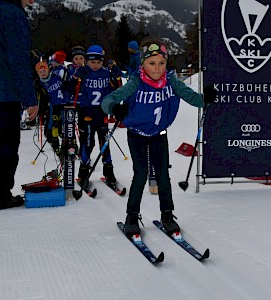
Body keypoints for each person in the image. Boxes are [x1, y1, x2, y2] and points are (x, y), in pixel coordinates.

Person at [101, 38, 212, 236]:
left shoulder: (172, 82)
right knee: (141, 173)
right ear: (142, 63)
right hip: (137, 135)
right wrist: (114, 107)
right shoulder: (135, 82)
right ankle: (132, 216)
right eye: (152, 63)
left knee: (163, 175)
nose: (157, 68)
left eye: (162, 63)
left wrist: (206, 98)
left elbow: (193, 98)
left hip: (159, 135)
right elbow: (107, 100)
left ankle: (167, 215)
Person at [0, 0, 38, 210]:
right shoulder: (12, 14)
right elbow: (18, 59)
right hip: (4, 94)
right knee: (7, 145)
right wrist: (30, 99)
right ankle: (0, 195)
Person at [71, 44, 118, 186]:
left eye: (99, 62)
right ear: (87, 61)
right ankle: (83, 172)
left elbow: (115, 91)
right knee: (88, 142)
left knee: (105, 141)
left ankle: (108, 171)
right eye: (92, 62)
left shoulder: (105, 73)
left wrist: (115, 78)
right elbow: (69, 89)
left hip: (101, 112)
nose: (96, 65)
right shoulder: (83, 72)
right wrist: (75, 77)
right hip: (86, 112)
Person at [38, 51, 68, 158]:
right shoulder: (51, 72)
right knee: (55, 123)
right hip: (55, 103)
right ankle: (55, 143)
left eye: (54, 61)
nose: (52, 63)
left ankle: (67, 144)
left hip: (64, 102)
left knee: (65, 125)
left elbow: (65, 81)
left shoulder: (61, 70)